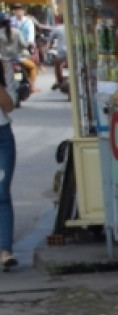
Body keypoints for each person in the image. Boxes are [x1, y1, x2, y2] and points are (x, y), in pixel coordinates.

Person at [0, 58, 17, 270]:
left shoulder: (4, 67)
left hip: (2, 135)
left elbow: (10, 105)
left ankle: (5, 250)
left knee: (2, 193)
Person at [9, 4, 37, 94]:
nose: (18, 12)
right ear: (14, 12)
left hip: (24, 48)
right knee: (32, 67)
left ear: (23, 11)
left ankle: (32, 85)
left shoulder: (28, 22)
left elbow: (31, 37)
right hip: (15, 52)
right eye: (16, 10)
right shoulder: (11, 21)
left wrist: (30, 43)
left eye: (20, 10)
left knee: (31, 66)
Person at [49, 14, 66, 89]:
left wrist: (49, 46)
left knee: (57, 63)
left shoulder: (57, 28)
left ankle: (59, 80)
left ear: (58, 20)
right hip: (72, 52)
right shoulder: (71, 27)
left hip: (62, 51)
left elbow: (50, 40)